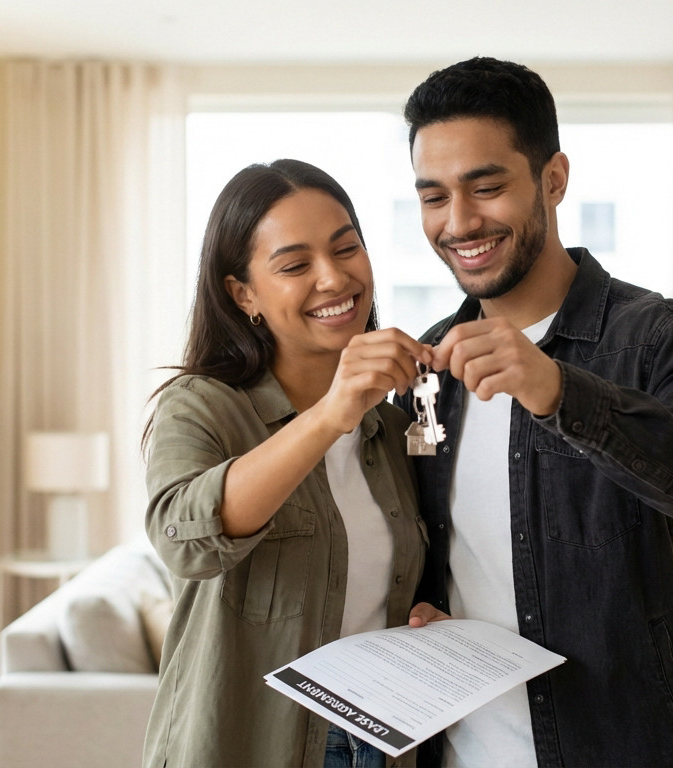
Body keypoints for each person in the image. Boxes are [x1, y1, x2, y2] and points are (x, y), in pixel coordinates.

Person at [400, 58, 673, 767]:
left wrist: (559, 391)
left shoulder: (658, 335)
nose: (458, 222)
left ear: (553, 179)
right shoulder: (429, 366)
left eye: (486, 186)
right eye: (433, 196)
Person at [142, 159, 433, 768]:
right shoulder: (201, 407)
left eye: (346, 248)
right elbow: (186, 541)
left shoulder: (397, 424)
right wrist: (331, 414)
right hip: (248, 742)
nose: (333, 278)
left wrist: (432, 612)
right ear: (242, 293)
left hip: (380, 741)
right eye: (296, 265)